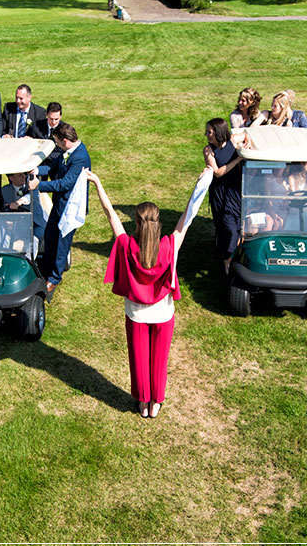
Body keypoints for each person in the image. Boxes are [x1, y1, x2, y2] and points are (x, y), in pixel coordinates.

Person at [86, 168, 197, 419]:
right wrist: (198, 187)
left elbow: (111, 215)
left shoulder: (126, 245)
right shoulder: (169, 245)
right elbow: (185, 220)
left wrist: (98, 184)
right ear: (158, 223)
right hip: (163, 314)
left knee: (139, 359)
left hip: (136, 313)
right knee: (159, 359)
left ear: (136, 223)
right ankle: (155, 404)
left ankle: (143, 401)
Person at [28, 122, 90, 299]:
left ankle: (54, 278)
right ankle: (45, 269)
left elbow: (65, 184)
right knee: (50, 235)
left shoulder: (80, 157)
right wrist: (37, 169)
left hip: (70, 207)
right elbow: (53, 167)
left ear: (65, 141)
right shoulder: (67, 152)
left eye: (57, 142)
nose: (56, 145)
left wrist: (40, 185)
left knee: (62, 243)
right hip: (60, 204)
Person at [203, 118, 243, 274]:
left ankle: (232, 253)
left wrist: (246, 146)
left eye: (210, 132)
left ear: (219, 132)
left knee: (238, 222)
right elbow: (218, 172)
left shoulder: (233, 141)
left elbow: (246, 136)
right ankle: (225, 256)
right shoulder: (209, 150)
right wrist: (238, 158)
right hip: (220, 191)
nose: (206, 135)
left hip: (235, 189)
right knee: (223, 224)